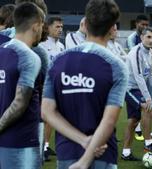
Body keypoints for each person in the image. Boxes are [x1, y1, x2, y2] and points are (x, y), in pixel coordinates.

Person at [41, 0, 128, 168]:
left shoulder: (58, 61)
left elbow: (46, 111)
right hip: (103, 152)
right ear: (112, 29)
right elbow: (109, 120)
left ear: (85, 24)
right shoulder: (116, 66)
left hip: (67, 150)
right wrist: (86, 157)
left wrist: (84, 141)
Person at [0, 2, 45, 168]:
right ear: (35, 26)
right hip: (22, 141)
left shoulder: (2, 50)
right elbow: (19, 104)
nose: (42, 29)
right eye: (42, 25)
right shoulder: (29, 57)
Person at [121, 27, 152, 161]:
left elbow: (150, 75)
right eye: (149, 37)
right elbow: (138, 76)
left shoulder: (149, 52)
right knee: (146, 107)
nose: (151, 40)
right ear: (142, 37)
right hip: (129, 88)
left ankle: (126, 153)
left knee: (133, 121)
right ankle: (148, 143)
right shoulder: (136, 52)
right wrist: (149, 99)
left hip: (138, 88)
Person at [39, 15, 65, 161]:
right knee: (43, 118)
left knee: (52, 118)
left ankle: (46, 145)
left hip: (57, 86)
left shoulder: (61, 46)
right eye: (57, 26)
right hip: (43, 87)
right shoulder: (41, 45)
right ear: (47, 27)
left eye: (61, 27)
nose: (60, 29)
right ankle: (41, 147)